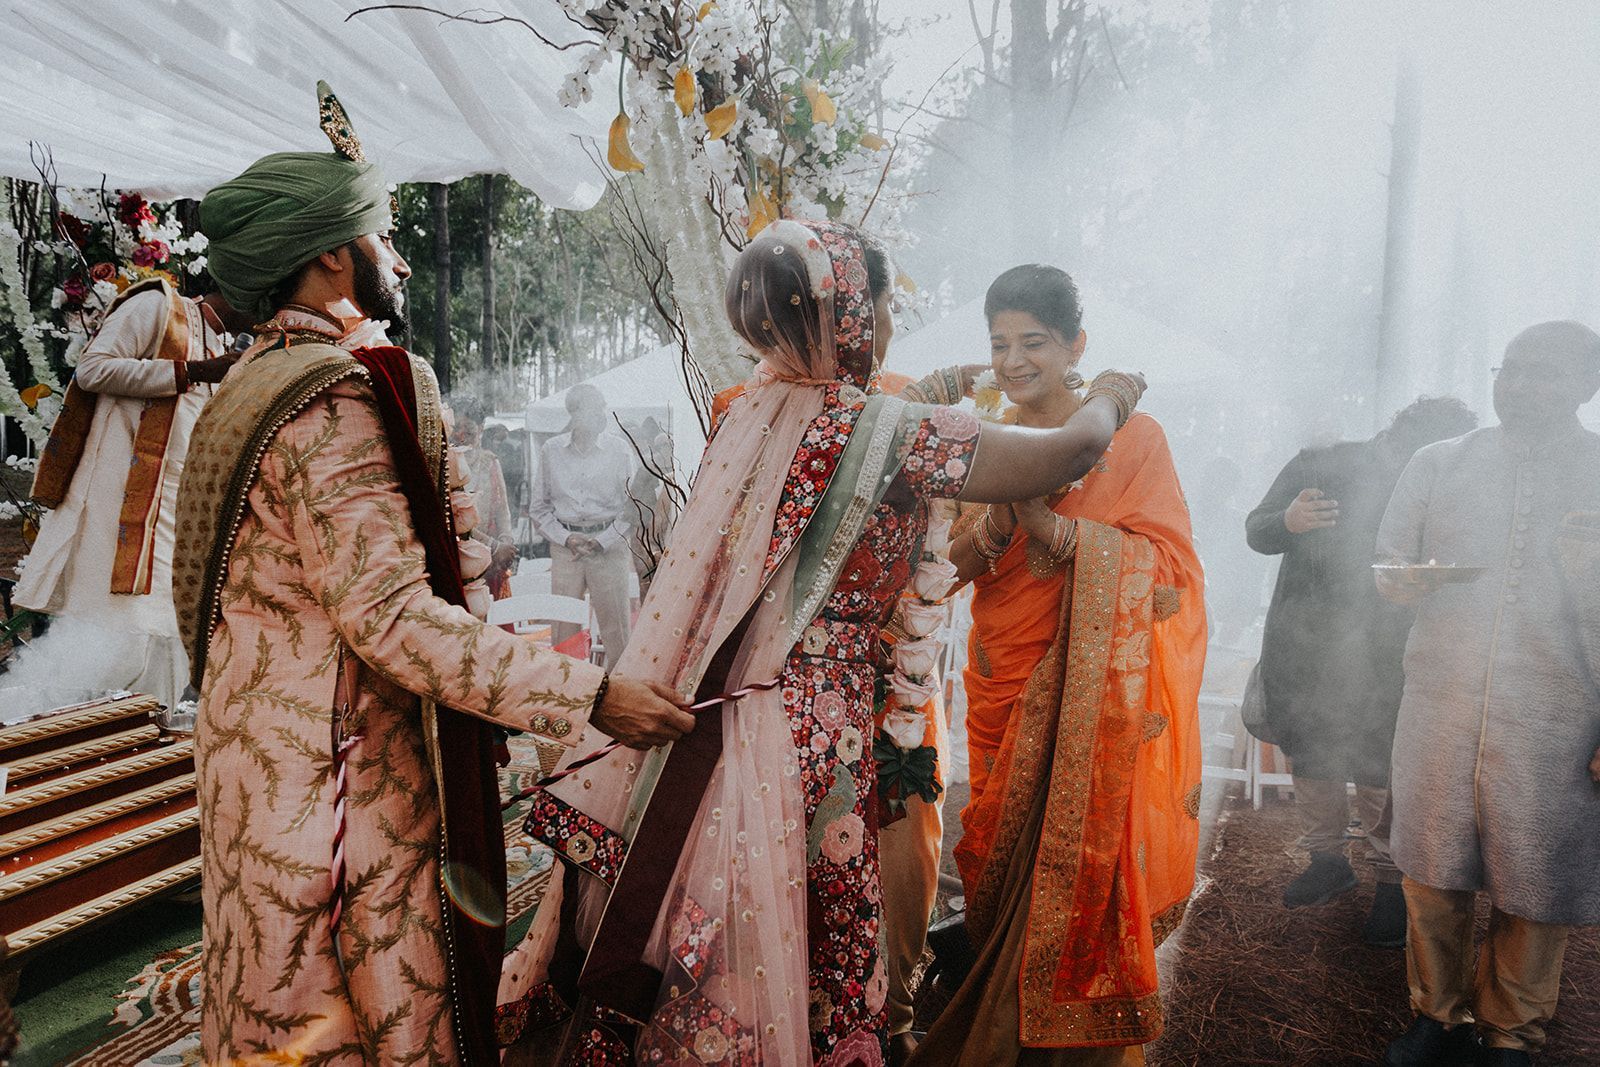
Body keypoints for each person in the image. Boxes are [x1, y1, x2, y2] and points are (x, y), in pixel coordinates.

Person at [502, 221, 1146, 1064]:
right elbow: (1071, 450)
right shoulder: (887, 433)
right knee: (807, 936)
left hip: (713, 711)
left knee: (729, 925)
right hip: (809, 730)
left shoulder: (755, 411)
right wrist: (1111, 392)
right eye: (880, 308)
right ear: (850, 315)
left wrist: (960, 377)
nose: (886, 329)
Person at [170, 84, 690, 1066]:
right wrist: (588, 694)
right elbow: (396, 618)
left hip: (258, 768)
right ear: (332, 254)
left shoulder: (247, 387)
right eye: (381, 234)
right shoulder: (328, 401)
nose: (397, 257)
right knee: (365, 1018)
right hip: (338, 784)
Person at [909, 264, 1206, 1066]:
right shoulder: (985, 437)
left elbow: (1174, 571)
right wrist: (1005, 524)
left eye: (1032, 342)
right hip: (1002, 678)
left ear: (1077, 343)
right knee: (998, 852)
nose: (1012, 361)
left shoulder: (1131, 440)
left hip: (1092, 700)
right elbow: (950, 568)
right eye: (999, 343)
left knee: (1079, 869)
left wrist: (1067, 536)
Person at [1375, 321, 1600, 1067]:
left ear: (1586, 386)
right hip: (1441, 701)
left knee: (1533, 881)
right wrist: (1401, 580)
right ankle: (1435, 1015)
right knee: (1432, 874)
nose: (1521, 386)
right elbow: (1387, 564)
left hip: (1559, 716)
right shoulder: (1441, 462)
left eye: (1546, 374)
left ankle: (1511, 1032)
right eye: (1512, 369)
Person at [1246, 397, 1477, 942]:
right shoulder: (1320, 462)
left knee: (1379, 766)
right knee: (1312, 753)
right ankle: (1328, 864)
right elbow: (1257, 531)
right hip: (1305, 646)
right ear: (1392, 437)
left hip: (1388, 654)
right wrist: (1287, 519)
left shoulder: (1449, 480)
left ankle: (1390, 888)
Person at [15, 276, 250, 709]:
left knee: (165, 629)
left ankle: (140, 743)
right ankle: (74, 738)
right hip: (121, 501)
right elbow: (93, 369)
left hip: (176, 512)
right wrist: (193, 372)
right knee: (125, 628)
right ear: (242, 287)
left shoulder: (222, 346)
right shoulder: (160, 308)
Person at [529, 383, 637, 667]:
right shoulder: (551, 450)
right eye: (595, 408)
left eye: (603, 408)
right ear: (575, 414)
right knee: (565, 632)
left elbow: (633, 507)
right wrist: (566, 538)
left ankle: (620, 691)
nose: (602, 414)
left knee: (617, 631)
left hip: (609, 547)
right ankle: (570, 693)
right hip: (567, 550)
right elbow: (539, 509)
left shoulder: (619, 449)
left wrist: (603, 540)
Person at [451, 398, 518, 596]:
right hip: (458, 558)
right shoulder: (445, 465)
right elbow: (455, 521)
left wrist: (506, 542)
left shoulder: (490, 462)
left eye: (469, 432)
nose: (462, 437)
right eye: (457, 430)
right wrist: (494, 546)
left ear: (481, 429)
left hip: (491, 563)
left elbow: (502, 510)